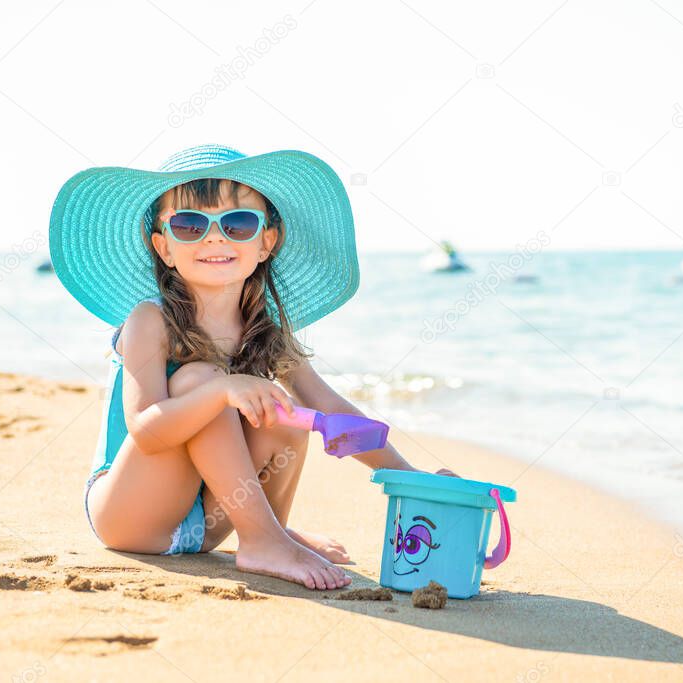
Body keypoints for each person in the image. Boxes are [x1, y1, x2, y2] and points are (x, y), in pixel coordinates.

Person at [49, 144, 453, 590]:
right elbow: (145, 429)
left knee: (283, 412)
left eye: (237, 223)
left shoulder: (266, 329)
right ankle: (266, 538)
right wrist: (221, 390)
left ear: (266, 242)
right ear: (163, 247)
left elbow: (330, 409)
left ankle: (265, 534)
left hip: (210, 525)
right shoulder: (151, 319)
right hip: (131, 515)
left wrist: (412, 479)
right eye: (190, 224)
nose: (215, 237)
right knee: (201, 378)